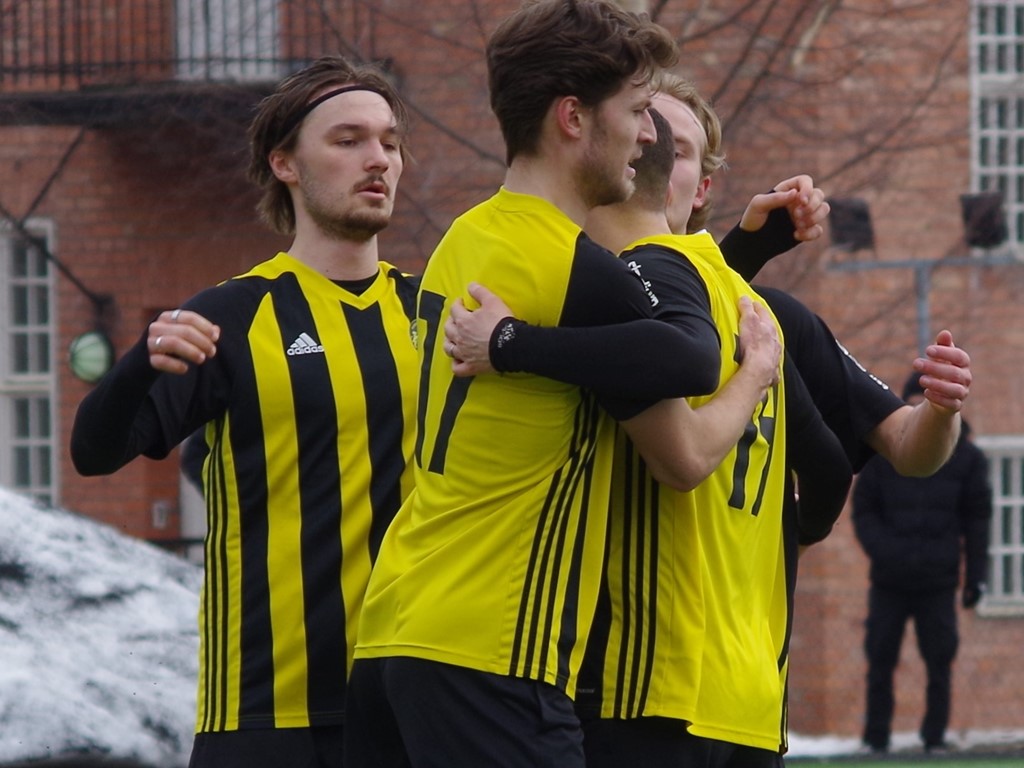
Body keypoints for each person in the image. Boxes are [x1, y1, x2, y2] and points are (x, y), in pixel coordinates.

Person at [344, 4, 794, 766]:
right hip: (495, 646)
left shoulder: (471, 232)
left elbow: (640, 333)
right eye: (636, 111)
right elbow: (685, 363)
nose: (647, 135)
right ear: (573, 118)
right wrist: (755, 372)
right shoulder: (571, 262)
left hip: (395, 626)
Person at [70, 56, 417, 768]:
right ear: (285, 163)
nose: (377, 158)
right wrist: (140, 361)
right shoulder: (231, 315)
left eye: (389, 140)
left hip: (416, 707)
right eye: (348, 140)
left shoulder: (439, 315)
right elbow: (94, 451)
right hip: (270, 714)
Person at [852, 372, 992, 755]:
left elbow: (977, 521)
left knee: (939, 661)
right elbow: (863, 511)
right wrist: (886, 551)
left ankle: (935, 739)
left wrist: (975, 579)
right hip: (889, 581)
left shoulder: (968, 459)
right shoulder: (882, 455)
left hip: (938, 581)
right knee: (880, 658)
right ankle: (875, 739)